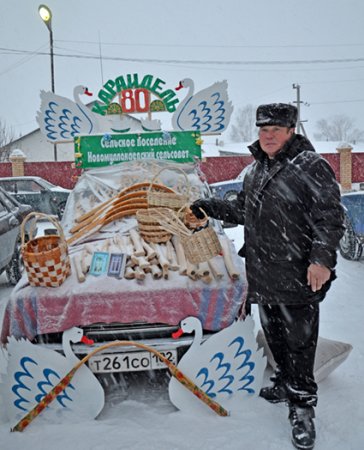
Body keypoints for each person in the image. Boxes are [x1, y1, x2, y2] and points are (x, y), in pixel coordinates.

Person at [191, 103, 344, 450]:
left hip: (297, 274)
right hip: (263, 273)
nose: (269, 135)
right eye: (263, 129)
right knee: (274, 335)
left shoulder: (310, 166)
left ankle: (302, 407)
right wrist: (208, 206)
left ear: (291, 130)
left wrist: (321, 260)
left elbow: (330, 217)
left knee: (300, 343)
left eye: (276, 129)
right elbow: (243, 210)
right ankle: (283, 383)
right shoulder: (256, 169)